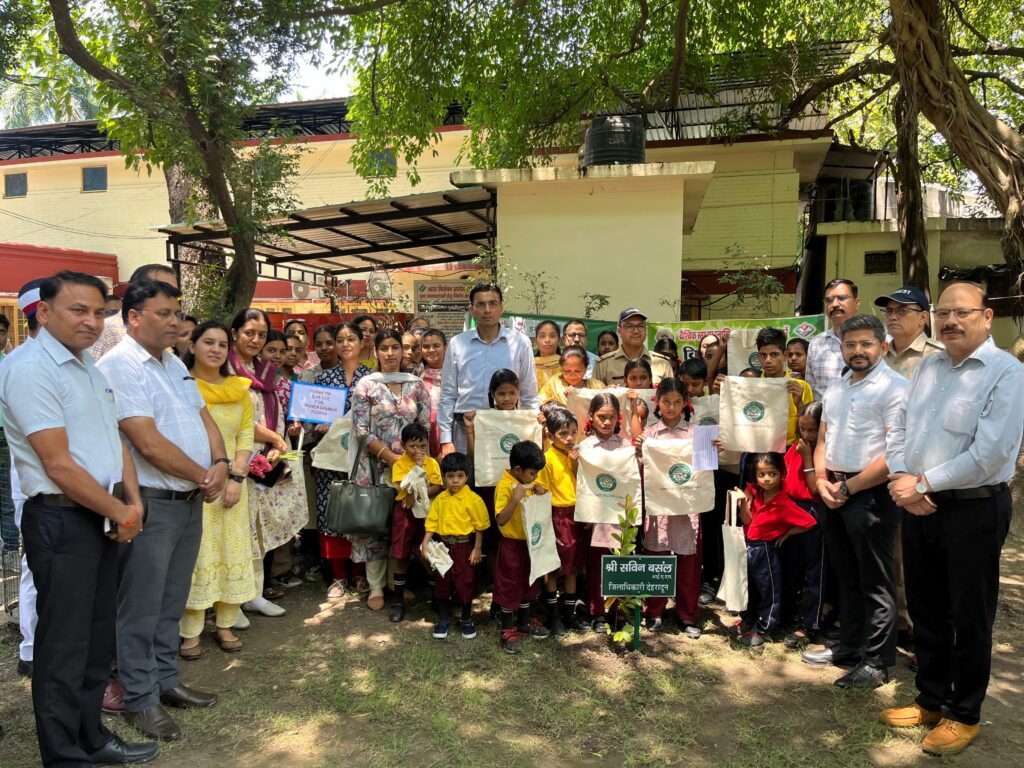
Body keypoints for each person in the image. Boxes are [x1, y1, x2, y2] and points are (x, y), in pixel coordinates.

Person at [0, 270, 157, 767]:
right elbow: (58, 465)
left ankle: (91, 736)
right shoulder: (30, 369)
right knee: (64, 646)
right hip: (62, 520)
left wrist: (132, 501)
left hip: (102, 517)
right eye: (78, 310)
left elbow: (113, 440)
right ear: (44, 312)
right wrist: (121, 511)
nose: (92, 321)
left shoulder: (87, 364)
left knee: (95, 640)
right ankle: (65, 754)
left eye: (99, 312)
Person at [883, 282, 1024, 756]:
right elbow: (900, 426)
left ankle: (964, 713)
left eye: (961, 312)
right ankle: (930, 698)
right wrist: (903, 478)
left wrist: (922, 484)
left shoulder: (1006, 373)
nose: (950, 321)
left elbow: (992, 453)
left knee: (969, 613)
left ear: (986, 316)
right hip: (919, 504)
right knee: (926, 606)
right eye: (943, 312)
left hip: (973, 508)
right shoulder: (930, 366)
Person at [97, 278, 227, 740]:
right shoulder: (118, 366)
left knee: (171, 600)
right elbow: (146, 442)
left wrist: (222, 463)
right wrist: (204, 474)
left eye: (177, 313)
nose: (175, 322)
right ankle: (139, 698)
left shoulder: (172, 363)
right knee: (140, 606)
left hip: (189, 500)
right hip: (152, 503)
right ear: (133, 317)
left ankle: (165, 681)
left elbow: (204, 418)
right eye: (164, 313)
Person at [802, 314, 906, 690]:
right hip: (834, 488)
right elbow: (822, 439)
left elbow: (895, 453)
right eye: (850, 344)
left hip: (872, 493)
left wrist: (848, 488)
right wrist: (823, 481)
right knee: (846, 574)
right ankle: (849, 647)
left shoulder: (896, 389)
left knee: (876, 580)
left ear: (883, 346)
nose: (857, 351)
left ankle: (876, 661)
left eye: (866, 344)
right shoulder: (837, 387)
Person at [179, 321, 257, 658]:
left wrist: (237, 477)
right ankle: (190, 631)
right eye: (208, 342)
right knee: (197, 554)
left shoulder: (239, 389)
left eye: (222, 344)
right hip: (193, 483)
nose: (215, 349)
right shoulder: (180, 385)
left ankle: (225, 624)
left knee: (231, 550)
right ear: (192, 345)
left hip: (232, 488)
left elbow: (246, 434)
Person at [228, 309, 307, 617]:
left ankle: (254, 593)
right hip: (237, 459)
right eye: (249, 333)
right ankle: (231, 599)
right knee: (237, 530)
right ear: (235, 333)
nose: (255, 340)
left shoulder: (263, 369)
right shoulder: (226, 369)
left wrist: (277, 443)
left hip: (265, 460)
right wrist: (273, 438)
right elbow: (236, 418)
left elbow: (273, 409)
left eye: (261, 334)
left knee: (257, 528)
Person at [350, 329, 431, 610]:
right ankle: (375, 587)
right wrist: (391, 457)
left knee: (403, 525)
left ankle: (396, 584)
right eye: (383, 348)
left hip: (411, 469)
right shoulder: (366, 385)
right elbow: (360, 429)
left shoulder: (416, 385)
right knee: (376, 524)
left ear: (403, 350)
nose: (390, 353)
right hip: (374, 466)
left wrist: (411, 459)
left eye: (395, 347)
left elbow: (424, 426)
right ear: (376, 352)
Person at [633, 378, 705, 637]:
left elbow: (706, 472)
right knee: (657, 557)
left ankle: (687, 614)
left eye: (677, 402)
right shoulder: (650, 434)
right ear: (657, 402)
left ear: (685, 403)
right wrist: (639, 452)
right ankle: (654, 611)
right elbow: (639, 472)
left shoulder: (696, 433)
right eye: (666, 402)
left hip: (687, 507)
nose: (671, 407)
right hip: (659, 506)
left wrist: (712, 451)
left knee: (688, 561)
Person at [437, 283, 539, 457]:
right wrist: (446, 440)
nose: (487, 310)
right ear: (471, 309)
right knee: (466, 473)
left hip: (507, 426)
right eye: (480, 304)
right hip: (465, 426)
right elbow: (448, 394)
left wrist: (534, 432)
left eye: (493, 303)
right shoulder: (458, 343)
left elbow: (529, 392)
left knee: (507, 474)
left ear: (501, 307)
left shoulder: (519, 343)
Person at [312, 322, 373, 599]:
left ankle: (359, 573)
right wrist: (319, 425)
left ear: (362, 342)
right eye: (340, 340)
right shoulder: (324, 379)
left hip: (362, 456)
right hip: (331, 458)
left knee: (360, 511)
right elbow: (314, 417)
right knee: (331, 511)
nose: (345, 344)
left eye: (351, 339)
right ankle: (338, 576)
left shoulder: (372, 379)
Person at [732, 452, 816, 648]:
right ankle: (749, 619)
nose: (767, 479)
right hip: (749, 547)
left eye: (772, 474)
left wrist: (788, 533)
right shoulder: (757, 495)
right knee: (750, 587)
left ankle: (763, 627)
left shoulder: (784, 503)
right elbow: (747, 520)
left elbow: (810, 522)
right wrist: (743, 502)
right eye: (762, 475)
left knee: (768, 590)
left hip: (766, 551)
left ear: (782, 474)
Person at [8, 279, 44, 680]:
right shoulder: (20, 365)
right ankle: (32, 649)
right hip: (35, 484)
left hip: (60, 485)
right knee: (36, 565)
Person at [421, 451, 489, 639]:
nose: (455, 481)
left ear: (467, 476)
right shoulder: (440, 499)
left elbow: (480, 526)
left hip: (464, 547)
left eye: (460, 476)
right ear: (444, 477)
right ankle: (443, 619)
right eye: (450, 476)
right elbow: (432, 522)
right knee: (442, 581)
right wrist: (425, 542)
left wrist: (477, 548)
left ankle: (466, 618)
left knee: (466, 581)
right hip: (443, 547)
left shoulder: (473, 499)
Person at [493, 440, 551, 653]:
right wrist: (515, 499)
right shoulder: (504, 486)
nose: (535, 477)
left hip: (530, 544)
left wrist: (539, 490)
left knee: (530, 584)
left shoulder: (528, 483)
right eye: (532, 473)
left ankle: (524, 623)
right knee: (510, 586)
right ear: (518, 469)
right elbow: (501, 520)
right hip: (512, 545)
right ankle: (507, 630)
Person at [780, 401, 829, 649]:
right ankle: (788, 614)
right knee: (792, 568)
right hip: (791, 512)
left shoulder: (823, 451)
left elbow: (814, 488)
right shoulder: (794, 448)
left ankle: (811, 624)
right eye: (803, 429)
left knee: (814, 572)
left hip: (813, 514)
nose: (807, 435)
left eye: (812, 430)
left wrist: (809, 456)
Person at [580, 392, 627, 634]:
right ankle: (597, 611)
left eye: (612, 417)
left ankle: (618, 609)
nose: (607, 422)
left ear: (619, 418)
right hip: (595, 517)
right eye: (601, 417)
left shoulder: (627, 447)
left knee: (618, 562)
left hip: (619, 516)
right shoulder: (584, 447)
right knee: (596, 564)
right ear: (591, 416)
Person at [535, 405, 583, 635]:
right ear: (550, 434)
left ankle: (569, 613)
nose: (569, 438)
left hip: (578, 515)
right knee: (553, 567)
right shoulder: (546, 460)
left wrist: (576, 464)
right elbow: (542, 495)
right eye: (563, 433)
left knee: (574, 566)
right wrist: (549, 527)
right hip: (557, 515)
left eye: (573, 432)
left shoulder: (578, 456)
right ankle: (553, 616)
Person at [388, 422, 443, 622]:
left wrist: (418, 494)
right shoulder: (399, 465)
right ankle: (398, 601)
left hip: (426, 514)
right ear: (403, 445)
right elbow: (403, 488)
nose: (418, 450)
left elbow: (437, 486)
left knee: (428, 554)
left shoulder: (432, 463)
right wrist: (418, 470)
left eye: (422, 446)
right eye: (412, 446)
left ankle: (437, 597)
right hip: (405, 514)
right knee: (401, 555)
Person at [89, 263, 178, 359]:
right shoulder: (108, 328)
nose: (170, 294)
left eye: (174, 290)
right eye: (162, 287)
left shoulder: (174, 361)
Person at [756, 327, 814, 446]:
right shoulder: (751, 388)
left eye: (774, 354)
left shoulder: (802, 387)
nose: (768, 360)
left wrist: (799, 404)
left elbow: (810, 430)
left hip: (791, 449)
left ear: (784, 355)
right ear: (758, 356)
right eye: (763, 355)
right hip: (759, 447)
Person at [805, 278, 860, 398]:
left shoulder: (876, 341)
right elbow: (811, 389)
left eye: (842, 298)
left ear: (857, 302)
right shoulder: (816, 344)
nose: (834, 304)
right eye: (829, 300)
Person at [874, 285, 943, 379]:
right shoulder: (878, 354)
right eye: (889, 311)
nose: (892, 317)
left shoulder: (938, 355)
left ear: (923, 318)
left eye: (902, 311)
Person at [593, 308, 674, 386]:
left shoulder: (663, 364)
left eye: (641, 326)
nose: (636, 331)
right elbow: (594, 394)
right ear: (619, 331)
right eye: (630, 326)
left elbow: (672, 393)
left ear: (646, 330)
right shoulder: (604, 364)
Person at [538, 345, 604, 405]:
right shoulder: (554, 384)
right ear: (561, 368)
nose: (572, 376)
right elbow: (541, 404)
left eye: (577, 371)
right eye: (567, 371)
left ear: (586, 369)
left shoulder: (597, 387)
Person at [418, 328, 446, 456]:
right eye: (426, 346)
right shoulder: (416, 376)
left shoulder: (455, 375)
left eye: (436, 346)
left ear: (445, 347)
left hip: (448, 434)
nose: (431, 350)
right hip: (424, 436)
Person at [533, 319, 562, 389]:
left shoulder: (566, 366)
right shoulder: (530, 366)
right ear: (536, 341)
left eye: (552, 336)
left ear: (559, 340)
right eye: (542, 336)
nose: (547, 340)